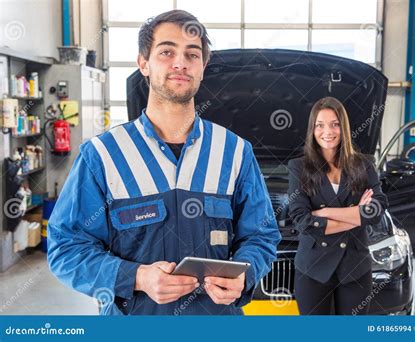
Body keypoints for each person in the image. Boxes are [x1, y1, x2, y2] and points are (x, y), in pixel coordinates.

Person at [47, 9, 281, 315]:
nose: (180, 63)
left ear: (203, 66)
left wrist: (246, 274)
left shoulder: (234, 151)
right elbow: (66, 248)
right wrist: (137, 277)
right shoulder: (103, 155)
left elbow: (261, 235)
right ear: (143, 63)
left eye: (192, 54)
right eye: (167, 51)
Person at [287, 96, 387, 315]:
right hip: (313, 269)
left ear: (344, 127)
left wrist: (325, 212)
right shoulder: (299, 167)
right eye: (320, 125)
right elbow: (302, 220)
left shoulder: (364, 164)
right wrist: (356, 214)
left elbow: (377, 209)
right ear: (312, 129)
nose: (328, 132)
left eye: (334, 125)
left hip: (355, 268)